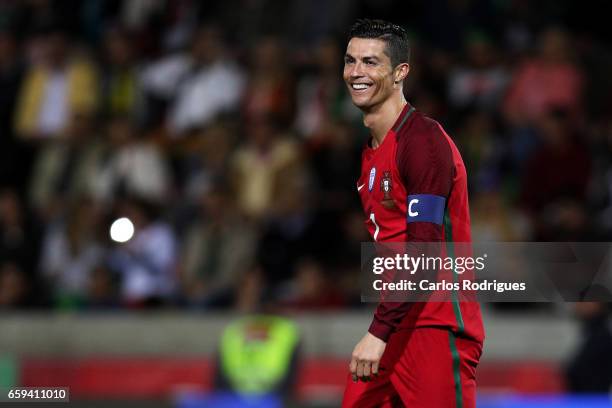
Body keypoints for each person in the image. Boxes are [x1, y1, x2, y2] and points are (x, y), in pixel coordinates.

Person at [341, 19, 485, 407]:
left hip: (436, 324)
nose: (357, 72)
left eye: (371, 62)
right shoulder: (373, 150)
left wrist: (378, 332)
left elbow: (424, 253)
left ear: (400, 71)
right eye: (351, 60)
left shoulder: (423, 143)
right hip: (399, 321)